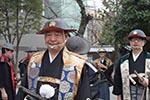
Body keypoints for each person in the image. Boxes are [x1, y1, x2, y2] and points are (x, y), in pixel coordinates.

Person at [17, 18, 99, 100]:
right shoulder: (34, 61)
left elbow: (84, 95)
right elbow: (23, 91)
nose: (52, 39)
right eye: (49, 35)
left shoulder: (77, 64)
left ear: (65, 36)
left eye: (57, 35)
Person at [113, 29, 150, 100]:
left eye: (138, 40)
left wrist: (148, 82)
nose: (135, 42)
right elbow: (118, 79)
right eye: (133, 40)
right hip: (127, 91)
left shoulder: (149, 58)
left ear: (144, 42)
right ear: (129, 42)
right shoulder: (122, 60)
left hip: (145, 91)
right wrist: (118, 95)